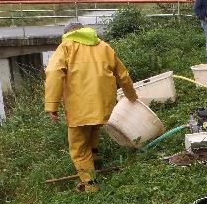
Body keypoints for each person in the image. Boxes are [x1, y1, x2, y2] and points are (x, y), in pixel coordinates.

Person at [44, 23, 137, 193]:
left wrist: (52, 106)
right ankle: (96, 162)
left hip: (79, 109)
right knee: (93, 131)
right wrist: (132, 96)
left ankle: (90, 185)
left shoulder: (65, 48)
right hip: (103, 106)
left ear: (68, 34)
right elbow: (123, 75)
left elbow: (53, 74)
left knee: (78, 149)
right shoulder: (104, 47)